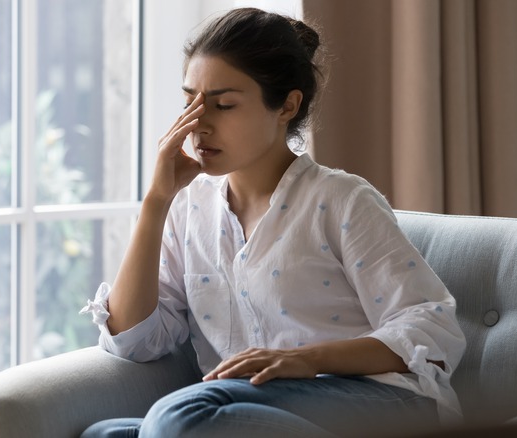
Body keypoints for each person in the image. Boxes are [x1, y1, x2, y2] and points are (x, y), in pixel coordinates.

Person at [80, 7, 465, 438]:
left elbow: (432, 329)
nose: (198, 124)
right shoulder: (188, 209)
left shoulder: (341, 200)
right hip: (255, 409)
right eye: (189, 102)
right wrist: (156, 202)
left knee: (181, 419)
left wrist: (309, 360)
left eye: (223, 104)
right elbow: (134, 340)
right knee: (105, 435)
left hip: (378, 402)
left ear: (287, 105)